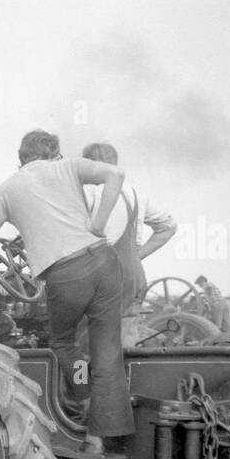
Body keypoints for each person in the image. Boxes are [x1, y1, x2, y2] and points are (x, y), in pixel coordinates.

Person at [0, 129, 133, 454]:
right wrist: (97, 224)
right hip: (106, 264)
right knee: (106, 351)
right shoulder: (67, 167)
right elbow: (117, 174)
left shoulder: (7, 189)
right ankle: (99, 434)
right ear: (53, 153)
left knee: (64, 343)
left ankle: (84, 397)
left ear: (21, 158)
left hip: (68, 275)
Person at [81, 143, 176, 346]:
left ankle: (81, 379)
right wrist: (136, 256)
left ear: (90, 166)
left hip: (99, 278)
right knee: (126, 341)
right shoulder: (135, 193)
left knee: (84, 345)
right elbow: (169, 227)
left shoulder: (89, 191)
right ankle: (125, 377)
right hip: (133, 277)